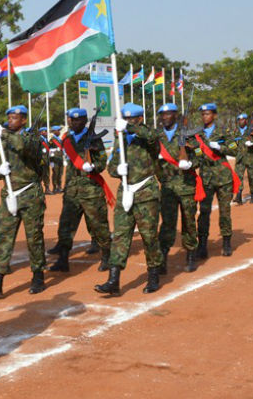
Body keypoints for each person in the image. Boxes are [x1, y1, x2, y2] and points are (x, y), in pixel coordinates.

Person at [0, 105, 47, 297]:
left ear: (24, 120)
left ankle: (38, 276)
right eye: (8, 118)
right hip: (9, 195)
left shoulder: (32, 137)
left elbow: (25, 147)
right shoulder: (5, 141)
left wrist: (4, 134)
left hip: (30, 195)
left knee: (34, 237)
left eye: (14, 118)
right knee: (5, 238)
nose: (10, 121)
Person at [95, 103, 161, 296]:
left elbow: (152, 137)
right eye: (125, 119)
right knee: (121, 236)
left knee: (149, 236)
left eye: (132, 119)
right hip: (126, 192)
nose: (128, 122)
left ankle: (154, 275)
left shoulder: (148, 135)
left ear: (140, 119)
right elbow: (111, 166)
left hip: (146, 191)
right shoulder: (120, 139)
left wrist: (130, 128)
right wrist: (118, 170)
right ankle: (113, 279)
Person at [47, 108, 113, 272]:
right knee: (65, 226)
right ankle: (63, 260)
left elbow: (102, 162)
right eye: (72, 120)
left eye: (78, 120)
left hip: (90, 189)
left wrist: (93, 167)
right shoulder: (67, 138)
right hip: (71, 190)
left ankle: (107, 257)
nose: (74, 122)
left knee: (99, 226)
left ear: (84, 121)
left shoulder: (94, 139)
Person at [156, 104, 203, 273]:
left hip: (186, 186)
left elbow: (199, 154)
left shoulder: (188, 135)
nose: (165, 117)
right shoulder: (158, 136)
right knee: (167, 222)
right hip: (168, 187)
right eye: (162, 114)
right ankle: (162, 257)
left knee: (188, 221)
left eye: (168, 114)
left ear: (175, 115)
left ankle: (191, 253)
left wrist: (191, 163)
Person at [194, 103, 239, 258]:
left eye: (207, 113)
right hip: (206, 178)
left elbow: (235, 149)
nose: (205, 116)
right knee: (204, 212)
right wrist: (196, 150)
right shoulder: (197, 133)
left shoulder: (224, 131)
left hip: (223, 178)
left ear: (214, 115)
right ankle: (202, 244)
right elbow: (197, 152)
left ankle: (226, 242)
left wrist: (221, 148)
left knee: (225, 211)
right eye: (203, 114)